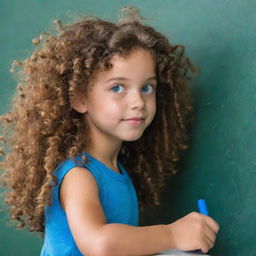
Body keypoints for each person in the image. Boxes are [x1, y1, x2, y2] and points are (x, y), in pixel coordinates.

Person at [0, 5, 219, 256]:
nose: (138, 101)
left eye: (147, 88)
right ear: (80, 99)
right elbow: (99, 244)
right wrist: (172, 234)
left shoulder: (117, 168)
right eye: (117, 88)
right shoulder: (79, 174)